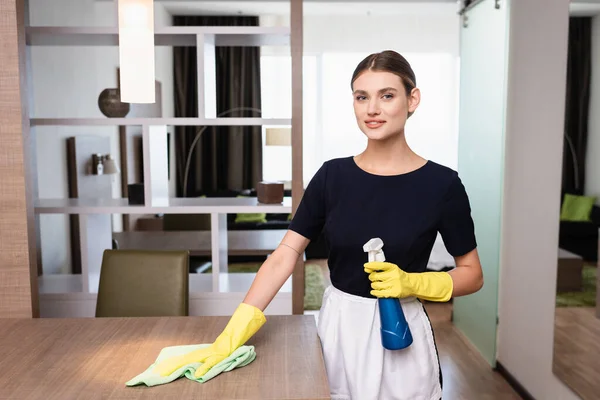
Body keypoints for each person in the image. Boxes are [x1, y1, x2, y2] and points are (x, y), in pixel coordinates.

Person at [154, 50, 484, 400]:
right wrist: (235, 329)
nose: (372, 109)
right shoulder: (332, 176)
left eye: (387, 95)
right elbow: (285, 255)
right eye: (362, 97)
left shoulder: (442, 185)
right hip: (339, 329)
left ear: (411, 99)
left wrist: (412, 282)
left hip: (402, 332)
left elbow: (472, 274)